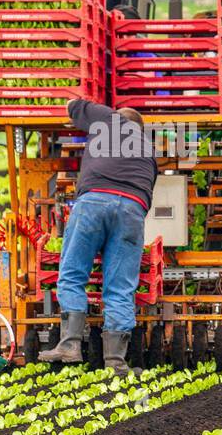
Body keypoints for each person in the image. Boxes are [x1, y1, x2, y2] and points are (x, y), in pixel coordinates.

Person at [40, 99, 157, 374]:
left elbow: (72, 104)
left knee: (72, 274)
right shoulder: (149, 152)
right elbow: (146, 193)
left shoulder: (108, 119)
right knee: (120, 287)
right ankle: (116, 361)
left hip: (93, 203)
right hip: (132, 210)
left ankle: (69, 345)